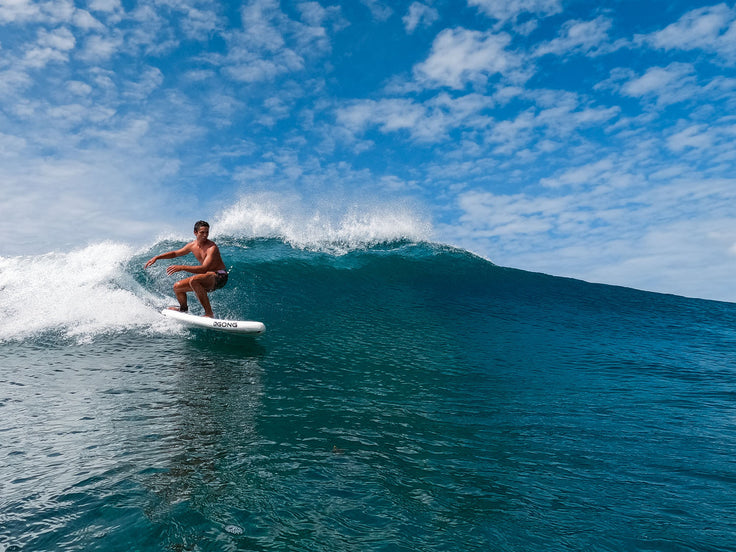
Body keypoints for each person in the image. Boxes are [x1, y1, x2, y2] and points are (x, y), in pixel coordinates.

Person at [144, 220, 228, 318]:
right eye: (202, 232)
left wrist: (182, 267)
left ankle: (209, 313)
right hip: (208, 276)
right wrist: (157, 257)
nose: (205, 235)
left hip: (220, 276)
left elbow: (204, 268)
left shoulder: (212, 248)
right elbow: (175, 253)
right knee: (177, 287)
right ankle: (183, 310)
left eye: (207, 232)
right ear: (195, 232)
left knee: (194, 280)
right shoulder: (192, 246)